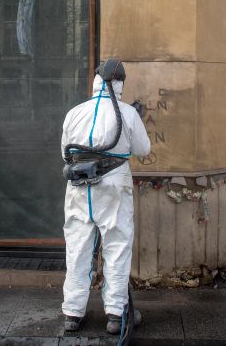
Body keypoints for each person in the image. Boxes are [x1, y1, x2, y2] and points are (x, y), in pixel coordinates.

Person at [60, 60, 150, 335]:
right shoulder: (127, 113)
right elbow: (144, 149)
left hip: (79, 186)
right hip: (113, 186)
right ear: (120, 83)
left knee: (77, 248)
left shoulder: (75, 113)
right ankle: (115, 314)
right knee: (117, 246)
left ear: (96, 81)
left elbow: (65, 152)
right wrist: (135, 119)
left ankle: (72, 313)